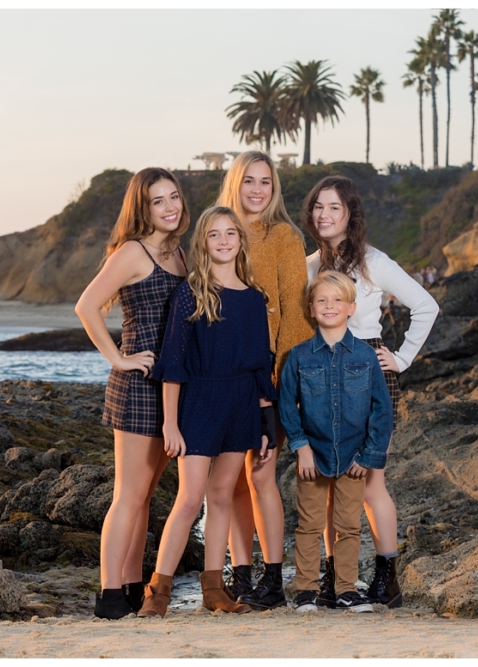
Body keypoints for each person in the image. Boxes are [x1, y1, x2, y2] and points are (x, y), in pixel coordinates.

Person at [302, 175, 439, 609]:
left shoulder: (372, 261)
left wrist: (401, 358)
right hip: (324, 376)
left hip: (368, 370)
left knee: (369, 482)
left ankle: (386, 579)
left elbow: (425, 305)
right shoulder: (308, 265)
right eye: (319, 207)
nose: (325, 215)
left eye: (335, 208)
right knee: (328, 480)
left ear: (350, 214)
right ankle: (333, 579)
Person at [136, 206, 277, 617]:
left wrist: (265, 423)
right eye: (214, 235)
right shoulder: (191, 294)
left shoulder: (254, 299)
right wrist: (170, 423)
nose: (223, 241)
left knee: (221, 497)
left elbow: (259, 367)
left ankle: (215, 591)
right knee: (189, 498)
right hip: (198, 403)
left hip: (241, 406)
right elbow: (173, 364)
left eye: (230, 233)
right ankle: (157, 594)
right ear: (203, 243)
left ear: (239, 240)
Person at [75, 167, 189, 620]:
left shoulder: (181, 255)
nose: (169, 206)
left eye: (174, 197)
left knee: (145, 494)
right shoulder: (132, 252)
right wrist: (118, 358)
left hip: (173, 387)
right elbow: (86, 306)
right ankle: (108, 596)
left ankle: (129, 586)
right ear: (143, 208)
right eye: (158, 200)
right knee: (128, 493)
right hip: (139, 387)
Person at [214, 151, 314, 610]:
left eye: (266, 183)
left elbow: (295, 312)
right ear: (235, 183)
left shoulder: (284, 236)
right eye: (249, 181)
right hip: (221, 377)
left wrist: (281, 385)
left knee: (261, 476)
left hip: (265, 376)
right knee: (232, 481)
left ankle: (273, 580)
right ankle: (242, 578)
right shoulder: (219, 233)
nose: (257, 190)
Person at [279, 270, 393, 613]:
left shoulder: (366, 357)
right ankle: (306, 590)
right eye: (322, 301)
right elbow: (287, 404)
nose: (330, 306)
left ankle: (345, 588)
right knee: (309, 524)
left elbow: (381, 410)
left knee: (348, 525)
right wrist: (301, 448)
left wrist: (369, 455)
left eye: (337, 300)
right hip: (312, 455)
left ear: (351, 308)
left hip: (354, 456)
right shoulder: (299, 357)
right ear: (311, 309)